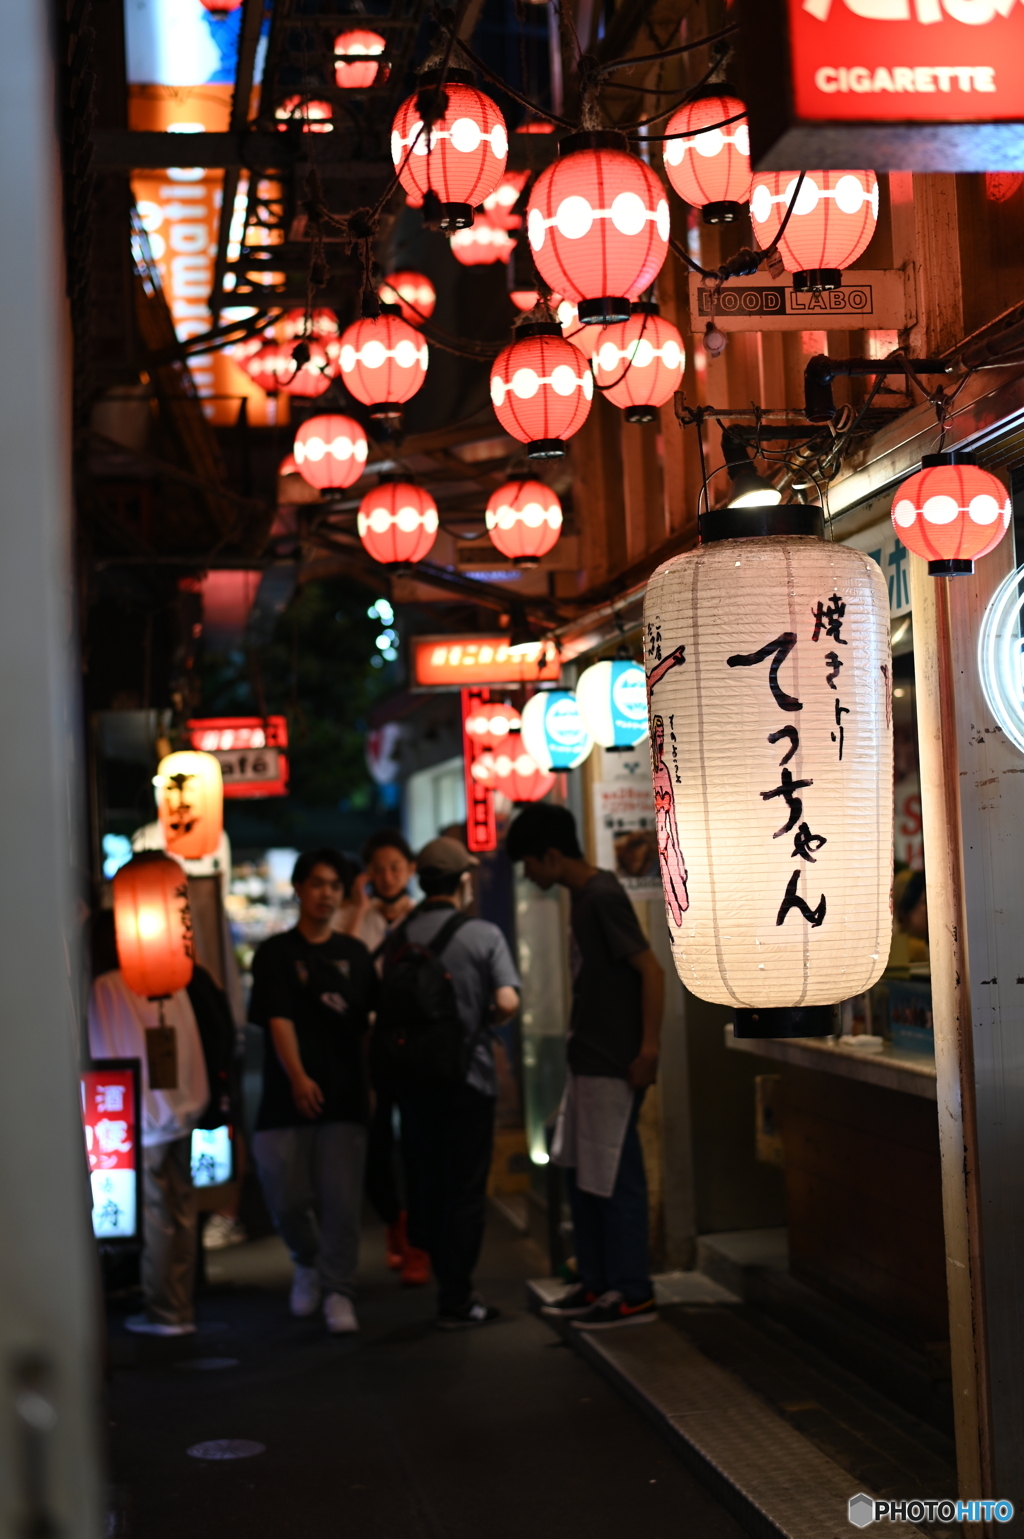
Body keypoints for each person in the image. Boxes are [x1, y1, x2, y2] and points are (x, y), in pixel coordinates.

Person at [506, 803, 664, 1330]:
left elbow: (651, 971)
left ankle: (632, 1291)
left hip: (611, 1062)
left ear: (551, 855)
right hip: (589, 1059)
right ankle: (598, 1281)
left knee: (615, 1176)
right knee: (585, 1175)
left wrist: (648, 1050)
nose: (527, 874)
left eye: (529, 863)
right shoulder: (585, 896)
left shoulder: (600, 895)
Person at [383, 837, 520, 1328]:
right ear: (463, 881)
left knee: (427, 1179)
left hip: (414, 1080)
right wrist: (479, 1018)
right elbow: (507, 1002)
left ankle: (440, 1277)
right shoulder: (483, 935)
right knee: (464, 1188)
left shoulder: (398, 937)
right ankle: (457, 1297)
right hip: (469, 1078)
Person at [249, 848, 377, 1335]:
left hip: (345, 1094)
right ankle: (306, 1262)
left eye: (335, 887)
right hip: (285, 1097)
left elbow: (367, 1025)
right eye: (318, 884)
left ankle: (339, 1289)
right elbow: (277, 1018)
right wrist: (299, 1076)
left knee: (342, 1201)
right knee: (285, 1195)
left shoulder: (355, 955)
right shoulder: (276, 953)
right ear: (298, 888)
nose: (327, 894)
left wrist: (371, 1083)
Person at [88, 913, 211, 1337]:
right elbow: (193, 1047)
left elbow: (102, 1055)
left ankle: (165, 1311)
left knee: (158, 1214)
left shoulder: (107, 987)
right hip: (182, 1111)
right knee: (183, 1211)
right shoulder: (169, 982)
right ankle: (182, 1305)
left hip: (141, 1118)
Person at [337, 829, 426, 1282]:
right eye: (379, 869)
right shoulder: (357, 917)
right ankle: (396, 1223)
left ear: (411, 870)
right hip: (369, 1045)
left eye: (396, 867)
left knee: (416, 1137)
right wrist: (355, 907)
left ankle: (417, 1239)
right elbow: (344, 962)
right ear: (367, 875)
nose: (388, 876)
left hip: (413, 1045)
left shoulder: (424, 917)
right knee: (374, 1142)